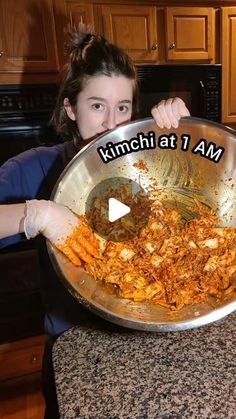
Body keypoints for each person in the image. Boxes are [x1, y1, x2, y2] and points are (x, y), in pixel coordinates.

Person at [0, 26, 190, 417]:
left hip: (141, 337)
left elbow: (195, 196)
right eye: (97, 105)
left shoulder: (141, 162)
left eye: (123, 107)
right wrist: (39, 214)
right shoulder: (37, 166)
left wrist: (178, 134)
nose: (110, 123)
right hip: (73, 344)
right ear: (71, 108)